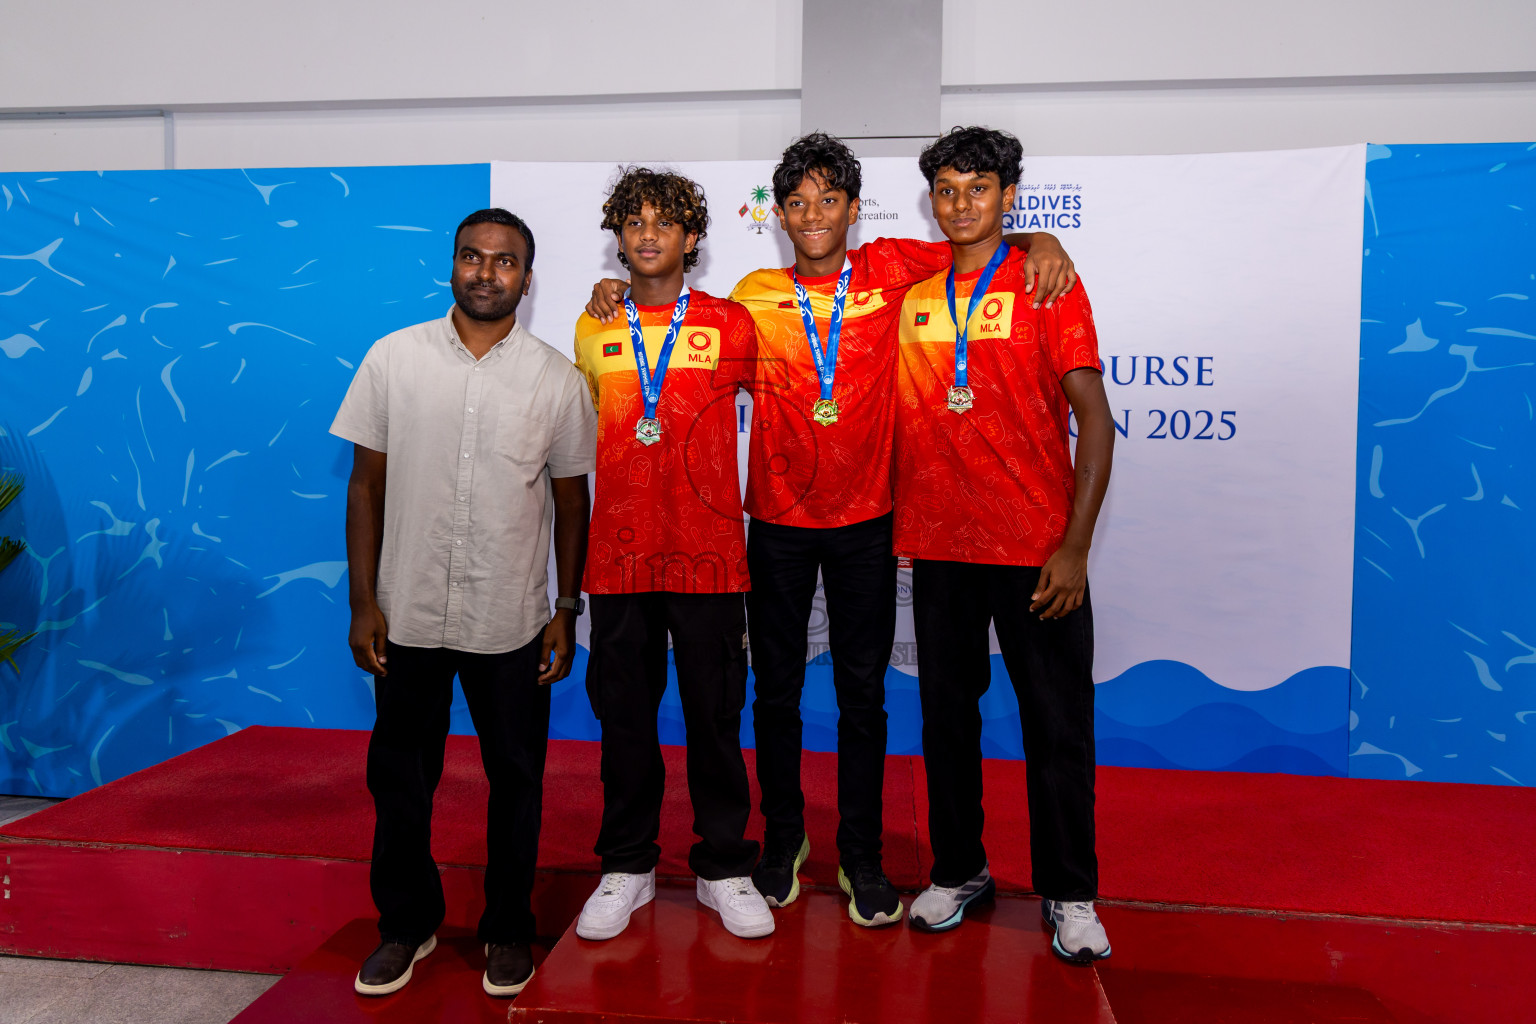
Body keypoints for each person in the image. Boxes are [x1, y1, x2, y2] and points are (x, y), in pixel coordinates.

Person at [585, 132, 1078, 929]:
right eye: (797, 203)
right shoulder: (747, 295)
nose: (812, 215)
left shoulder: (890, 267)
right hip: (775, 528)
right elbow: (666, 321)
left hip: (867, 525)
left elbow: (974, 240)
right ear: (777, 214)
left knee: (862, 698)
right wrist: (607, 294)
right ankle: (782, 841)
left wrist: (1042, 238)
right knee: (772, 696)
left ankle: (863, 855)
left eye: (828, 200)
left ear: (853, 208)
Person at [331, 208, 596, 997]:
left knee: (518, 780)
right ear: (453, 265)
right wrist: (362, 601)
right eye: (473, 258)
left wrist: (566, 606)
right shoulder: (393, 359)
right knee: (400, 779)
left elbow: (572, 502)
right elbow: (365, 484)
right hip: (405, 613)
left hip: (509, 618)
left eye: (505, 261)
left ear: (526, 276)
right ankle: (406, 926)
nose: (487, 273)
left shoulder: (555, 378)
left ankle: (508, 930)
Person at [892, 126, 1115, 963]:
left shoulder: (1047, 280)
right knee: (946, 721)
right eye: (946, 190)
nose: (961, 204)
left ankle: (1071, 892)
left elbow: (1094, 420)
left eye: (978, 189)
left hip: (1035, 550)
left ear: (1009, 196)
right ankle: (959, 870)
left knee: (1059, 726)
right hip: (940, 549)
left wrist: (1075, 547)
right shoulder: (911, 281)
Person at [571, 167, 772, 942]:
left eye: (665, 222)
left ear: (693, 239)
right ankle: (628, 863)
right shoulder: (595, 324)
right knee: (624, 721)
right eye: (633, 222)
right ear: (618, 238)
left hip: (710, 558)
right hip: (618, 562)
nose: (648, 234)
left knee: (716, 721)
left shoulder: (734, 323)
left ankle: (724, 867)